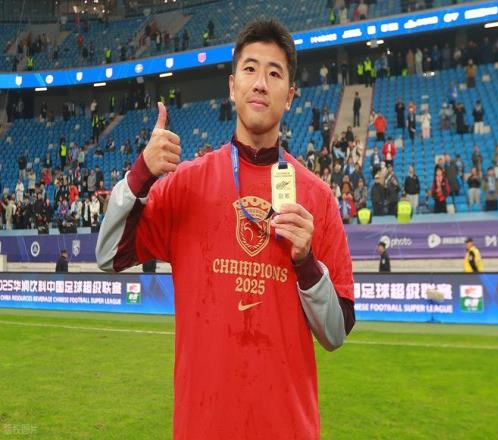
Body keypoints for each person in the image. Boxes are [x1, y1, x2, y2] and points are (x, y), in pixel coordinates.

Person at [96, 19, 354, 440]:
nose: (261, 83)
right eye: (250, 69)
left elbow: (336, 334)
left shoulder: (317, 197)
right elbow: (108, 256)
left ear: (290, 96)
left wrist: (306, 263)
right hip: (202, 427)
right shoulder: (185, 184)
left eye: (274, 73)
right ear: (232, 87)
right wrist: (141, 173)